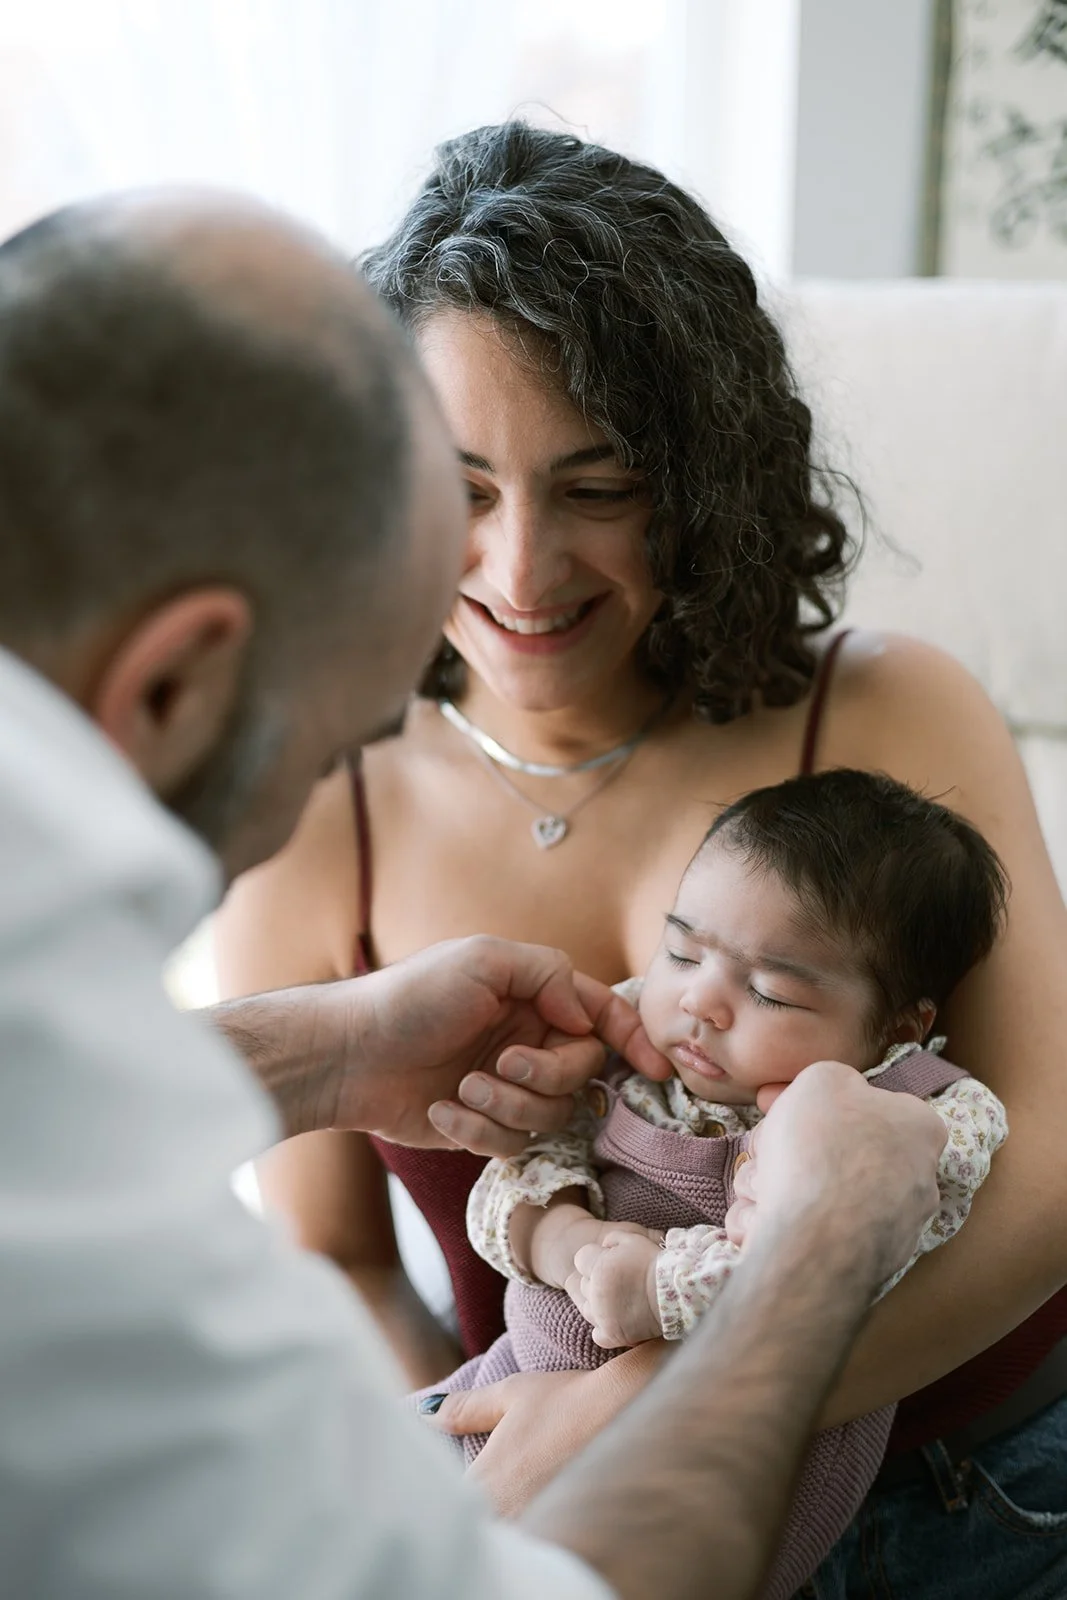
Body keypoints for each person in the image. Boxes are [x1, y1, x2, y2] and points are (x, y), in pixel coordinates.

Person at [0, 190, 949, 1600]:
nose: (508, 575)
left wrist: (316, 1051)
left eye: (596, 482)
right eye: (339, 730)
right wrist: (801, 1266)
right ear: (171, 683)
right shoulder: (126, 1285)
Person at [215, 122, 1067, 1594]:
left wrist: (655, 1406)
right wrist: (488, 1462)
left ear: (703, 478)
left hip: (980, 1485)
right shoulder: (313, 801)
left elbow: (1045, 1180)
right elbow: (331, 1257)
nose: (520, 573)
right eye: (464, 490)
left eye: (597, 487)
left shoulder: (883, 712)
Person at [429, 769, 1010, 1598]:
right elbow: (518, 1170)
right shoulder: (635, 1041)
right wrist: (568, 1241)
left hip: (724, 1451)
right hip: (513, 1373)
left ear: (896, 1025)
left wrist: (659, 1290)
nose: (699, 1001)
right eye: (680, 950)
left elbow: (845, 1258)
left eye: (769, 990)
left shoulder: (916, 1112)